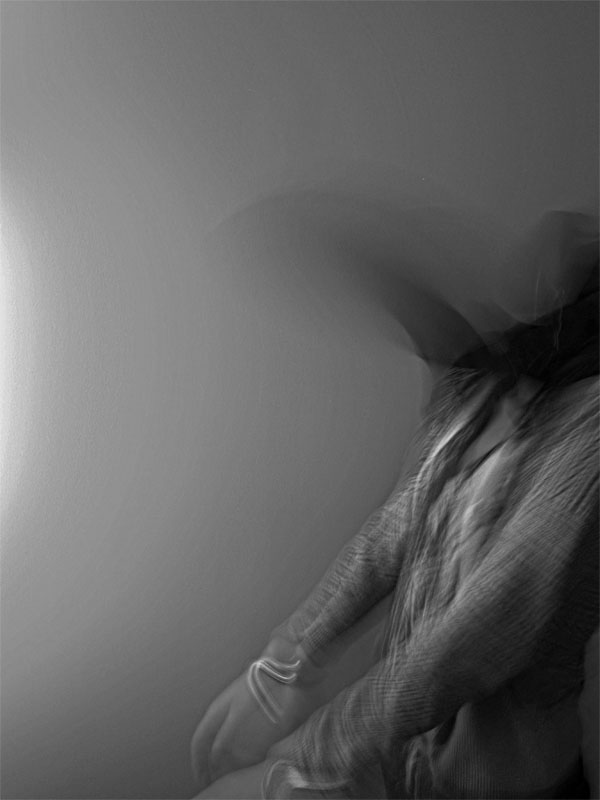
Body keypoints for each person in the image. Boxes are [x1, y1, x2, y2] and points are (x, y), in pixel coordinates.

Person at [190, 224, 599, 799]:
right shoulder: (496, 394)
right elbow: (393, 533)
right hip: (411, 778)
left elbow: (483, 634)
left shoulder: (589, 431)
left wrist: (305, 763)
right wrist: (281, 664)